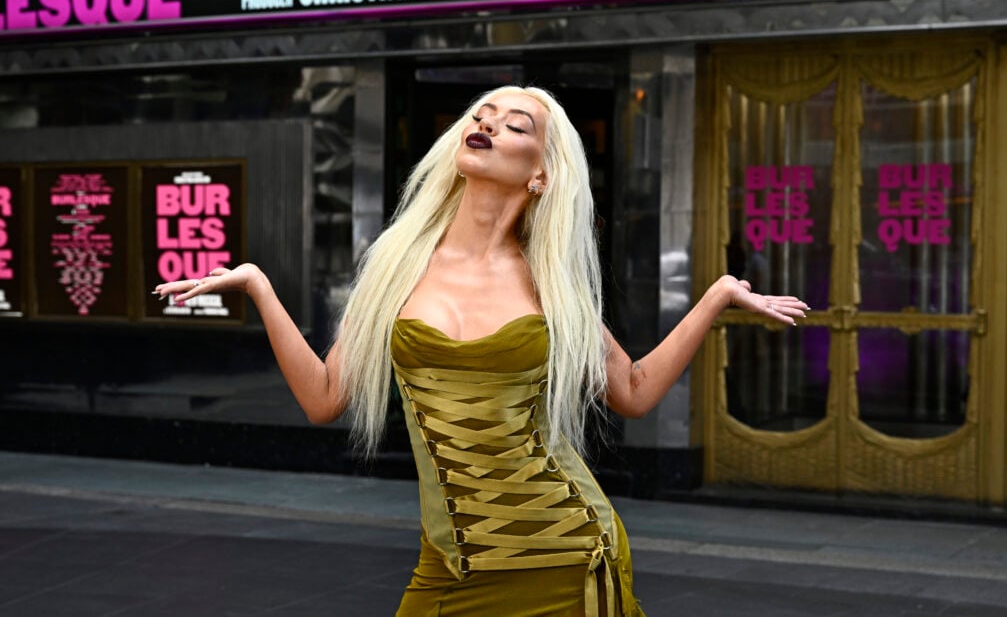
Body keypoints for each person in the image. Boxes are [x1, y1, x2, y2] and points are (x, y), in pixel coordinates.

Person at [154, 86, 808, 616]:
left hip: (564, 553)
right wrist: (260, 288)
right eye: (481, 115)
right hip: (450, 564)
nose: (489, 125)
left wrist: (715, 295)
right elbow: (324, 398)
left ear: (543, 173)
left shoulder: (551, 284)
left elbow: (633, 391)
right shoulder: (393, 266)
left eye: (515, 125)